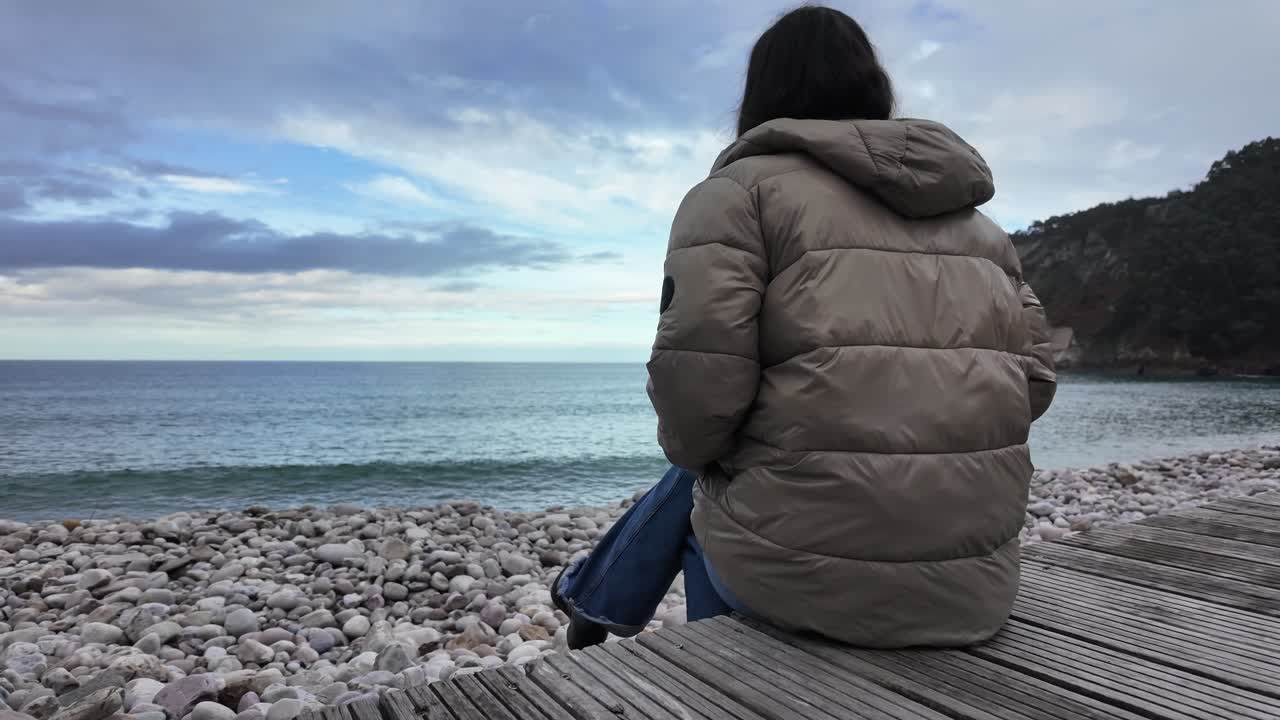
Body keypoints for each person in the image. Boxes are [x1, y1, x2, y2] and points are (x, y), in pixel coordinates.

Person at [552, 4, 1056, 650]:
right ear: (875, 90)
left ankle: (606, 609)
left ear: (760, 95)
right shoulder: (981, 230)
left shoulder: (739, 196)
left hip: (805, 587)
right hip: (974, 589)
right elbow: (1035, 383)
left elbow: (695, 404)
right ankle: (593, 598)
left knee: (698, 477)